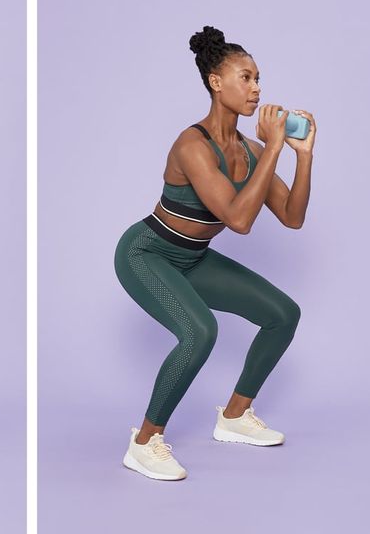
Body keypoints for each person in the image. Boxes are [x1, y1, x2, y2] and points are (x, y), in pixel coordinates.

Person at [114, 25, 315, 481]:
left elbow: (292, 216)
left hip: (194, 257)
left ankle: (235, 417)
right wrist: (275, 151)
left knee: (283, 313)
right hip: (148, 253)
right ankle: (144, 442)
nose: (257, 88)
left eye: (259, 78)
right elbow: (239, 221)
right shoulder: (192, 145)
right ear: (216, 82)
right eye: (246, 77)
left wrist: (302, 157)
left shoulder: (251, 149)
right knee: (200, 331)